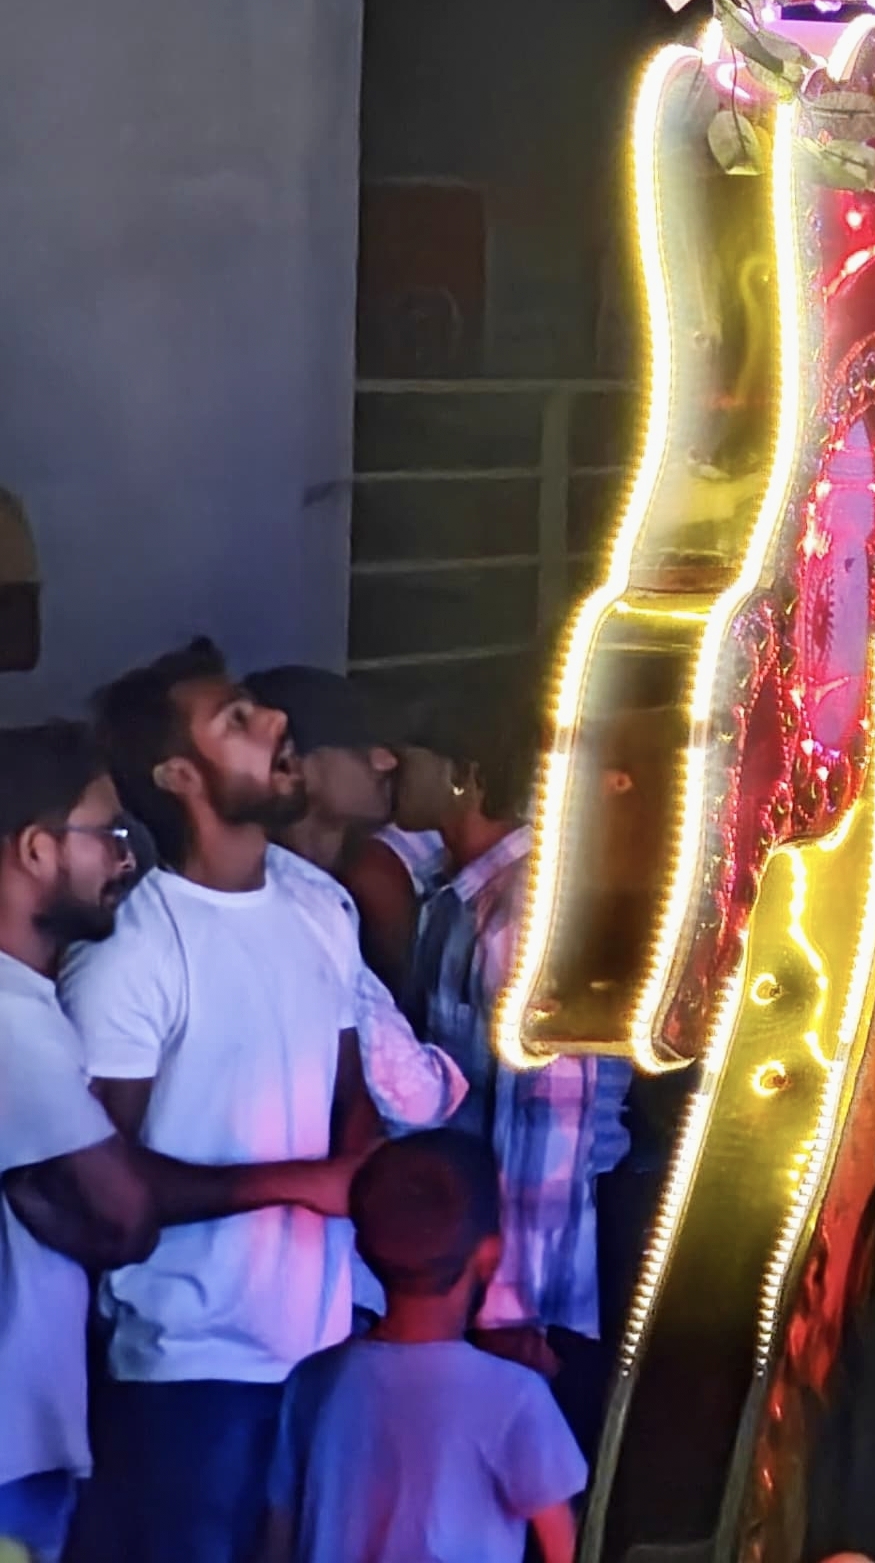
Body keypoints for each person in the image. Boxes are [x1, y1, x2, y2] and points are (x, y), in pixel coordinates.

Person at [64, 643, 384, 1563]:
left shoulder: (319, 904)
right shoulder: (135, 945)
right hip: (185, 1366)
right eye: (237, 721)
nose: (277, 724)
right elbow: (98, 1181)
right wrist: (302, 1183)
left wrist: (354, 1181)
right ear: (178, 775)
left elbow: (347, 1098)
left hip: (325, 1346)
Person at [389, 675, 630, 1434]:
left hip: (539, 1285)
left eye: (408, 757)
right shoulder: (461, 896)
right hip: (494, 1265)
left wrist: (512, 1308)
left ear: (465, 775)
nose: (389, 767)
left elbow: (549, 1126)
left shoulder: (524, 916)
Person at [265, 1131, 586, 1563]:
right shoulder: (515, 1396)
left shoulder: (313, 1381)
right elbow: (564, 1548)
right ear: (490, 1255)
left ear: (362, 1247)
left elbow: (275, 1540)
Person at [0, 722, 156, 1561]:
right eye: (108, 837)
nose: (125, 861)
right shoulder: (11, 1021)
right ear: (35, 849)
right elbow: (129, 1219)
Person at [249, 671, 424, 998]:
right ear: (292, 763)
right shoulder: (259, 904)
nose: (386, 762)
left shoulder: (375, 878)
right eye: (359, 745)